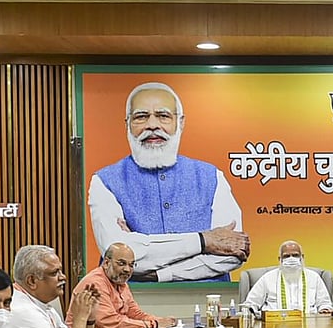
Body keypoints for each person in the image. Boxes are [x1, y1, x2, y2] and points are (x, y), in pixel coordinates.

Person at [88, 81, 250, 283]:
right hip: (127, 306)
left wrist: (158, 271)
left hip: (208, 302)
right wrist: (204, 241)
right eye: (141, 116)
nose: (152, 125)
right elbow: (117, 255)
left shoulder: (212, 177)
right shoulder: (104, 182)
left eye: (163, 116)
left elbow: (231, 253)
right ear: (127, 124)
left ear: (180, 122)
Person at [67, 242, 177, 328]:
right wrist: (153, 324)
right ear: (106, 263)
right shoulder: (95, 283)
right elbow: (112, 322)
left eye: (131, 265)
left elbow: (135, 313)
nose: (127, 270)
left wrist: (161, 321)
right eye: (121, 263)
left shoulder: (120, 283)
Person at [242, 240, 333, 318]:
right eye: (286, 256)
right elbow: (250, 304)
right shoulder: (268, 278)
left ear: (302, 257)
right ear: (280, 259)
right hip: (274, 327)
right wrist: (253, 312)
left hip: (310, 326)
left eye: (295, 255)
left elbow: (324, 303)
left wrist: (324, 309)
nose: (291, 259)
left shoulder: (314, 277)